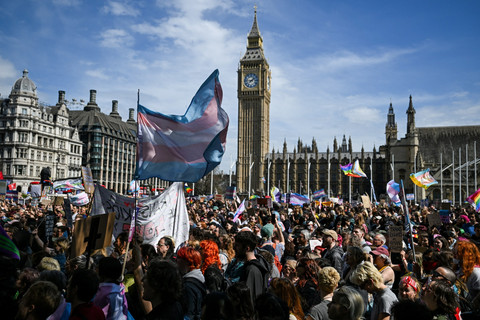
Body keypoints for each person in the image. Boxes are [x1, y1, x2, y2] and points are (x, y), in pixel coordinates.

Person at [227, 230, 270, 301]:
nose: (234, 248)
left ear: (247, 248)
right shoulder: (248, 267)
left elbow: (250, 299)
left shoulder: (252, 270)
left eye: (237, 246)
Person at [176, 246, 207, 320]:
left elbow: (189, 314)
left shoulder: (188, 286)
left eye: (179, 258)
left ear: (188, 262)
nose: (176, 260)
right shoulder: (199, 277)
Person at [454, 240, 480, 310]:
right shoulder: (460, 268)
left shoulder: (476, 273)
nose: (454, 255)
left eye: (457, 253)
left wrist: (472, 306)